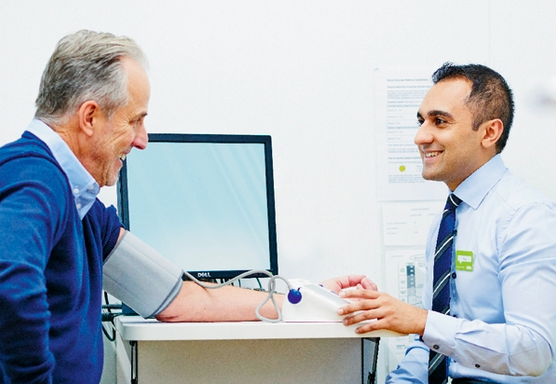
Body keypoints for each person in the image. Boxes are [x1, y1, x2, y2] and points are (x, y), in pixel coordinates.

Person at [0, 30, 375, 383]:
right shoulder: (35, 177)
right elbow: (11, 280)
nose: (142, 141)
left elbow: (180, 299)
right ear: (90, 117)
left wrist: (304, 296)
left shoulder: (83, 208)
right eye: (135, 121)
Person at [338, 63, 556, 383]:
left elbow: (532, 351)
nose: (420, 136)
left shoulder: (528, 218)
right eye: (421, 121)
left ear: (489, 132)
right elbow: (433, 338)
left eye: (439, 121)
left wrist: (420, 321)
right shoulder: (450, 220)